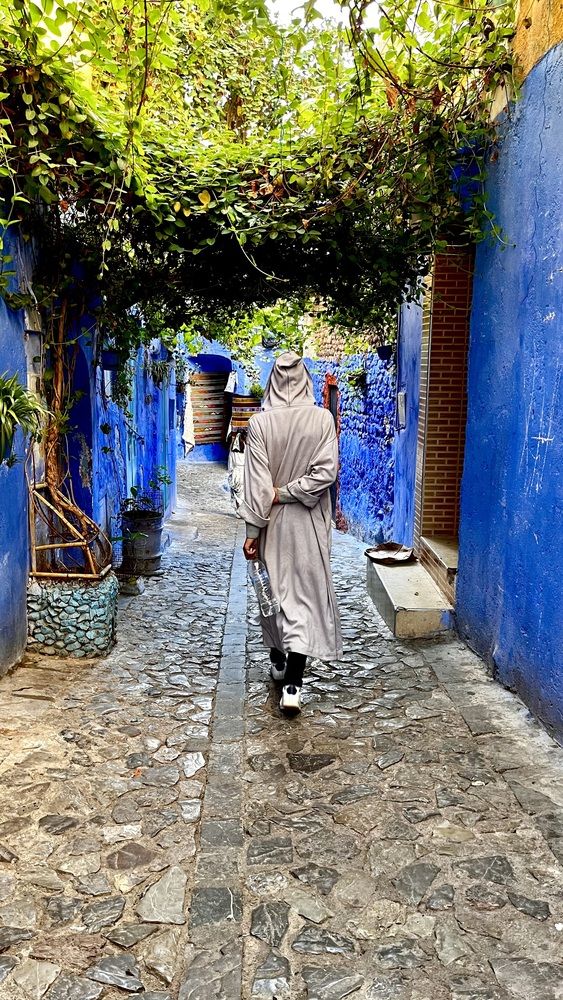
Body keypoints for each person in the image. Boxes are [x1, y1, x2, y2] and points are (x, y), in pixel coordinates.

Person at [241, 351, 343, 714]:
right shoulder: (322, 421)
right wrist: (293, 492)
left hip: (272, 524)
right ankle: (293, 686)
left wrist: (253, 530)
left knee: (275, 596)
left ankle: (279, 660)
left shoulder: (259, 425)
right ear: (306, 380)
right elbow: (325, 474)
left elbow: (256, 486)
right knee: (303, 600)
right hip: (310, 524)